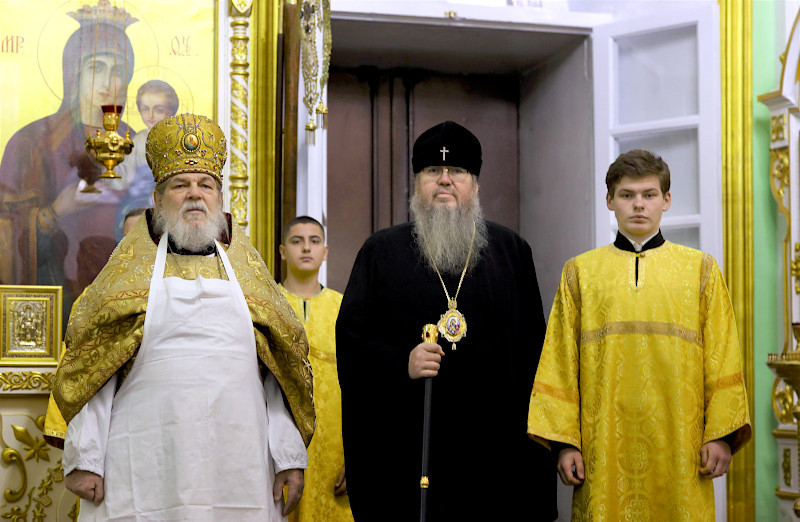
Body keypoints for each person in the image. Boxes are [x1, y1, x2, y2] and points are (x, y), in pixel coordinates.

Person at [53, 113, 315, 521]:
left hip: (239, 463)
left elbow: (278, 376)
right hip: (146, 460)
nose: (195, 194)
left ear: (219, 198)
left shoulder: (251, 277)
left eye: (205, 185)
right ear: (157, 200)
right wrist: (85, 457)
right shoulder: (125, 277)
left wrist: (288, 456)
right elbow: (95, 372)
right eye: (180, 185)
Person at [336, 121, 556, 521]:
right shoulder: (380, 253)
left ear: (475, 184)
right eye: (432, 171)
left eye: (457, 171)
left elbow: (536, 357)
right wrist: (401, 362)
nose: (444, 180)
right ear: (416, 184)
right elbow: (351, 344)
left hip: (496, 458)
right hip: (408, 454)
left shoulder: (512, 253)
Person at [527, 149, 752, 521]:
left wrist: (721, 437)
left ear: (666, 200)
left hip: (681, 450)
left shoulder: (701, 271)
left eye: (649, 194)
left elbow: (723, 356)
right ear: (610, 200)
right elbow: (560, 362)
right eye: (627, 195)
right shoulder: (580, 273)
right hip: (601, 453)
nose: (638, 205)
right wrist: (564, 445)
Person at [0, 0, 135, 323]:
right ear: (74, 73)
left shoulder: (140, 144)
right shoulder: (31, 142)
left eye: (117, 70)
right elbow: (6, 232)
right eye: (95, 68)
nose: (108, 83)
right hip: (56, 299)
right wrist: (55, 211)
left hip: (125, 301)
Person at [278, 215, 354, 522]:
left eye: (314, 241)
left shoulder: (344, 308)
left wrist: (356, 454)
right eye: (297, 241)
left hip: (335, 444)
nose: (306, 248)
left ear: (325, 251)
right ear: (283, 251)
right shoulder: (267, 306)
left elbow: (361, 384)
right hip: (280, 441)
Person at [113, 80, 180, 241]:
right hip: (138, 201)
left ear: (170, 111)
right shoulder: (138, 141)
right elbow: (125, 175)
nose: (150, 116)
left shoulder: (177, 141)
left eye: (158, 110)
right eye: (145, 109)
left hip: (170, 199)